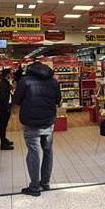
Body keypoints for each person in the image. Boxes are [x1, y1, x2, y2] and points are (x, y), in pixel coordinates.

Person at [14, 61, 61, 197]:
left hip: (31, 122)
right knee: (48, 151)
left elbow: (16, 100)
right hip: (48, 121)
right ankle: (45, 183)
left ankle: (34, 187)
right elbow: (58, 99)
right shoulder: (53, 81)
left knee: (33, 151)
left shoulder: (25, 81)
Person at [0, 69, 14, 150]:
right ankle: (3, 143)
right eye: (10, 74)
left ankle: (4, 139)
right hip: (4, 107)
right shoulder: (2, 84)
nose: (11, 75)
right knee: (2, 124)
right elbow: (2, 98)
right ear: (7, 75)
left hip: (6, 107)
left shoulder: (5, 83)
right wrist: (7, 107)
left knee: (4, 124)